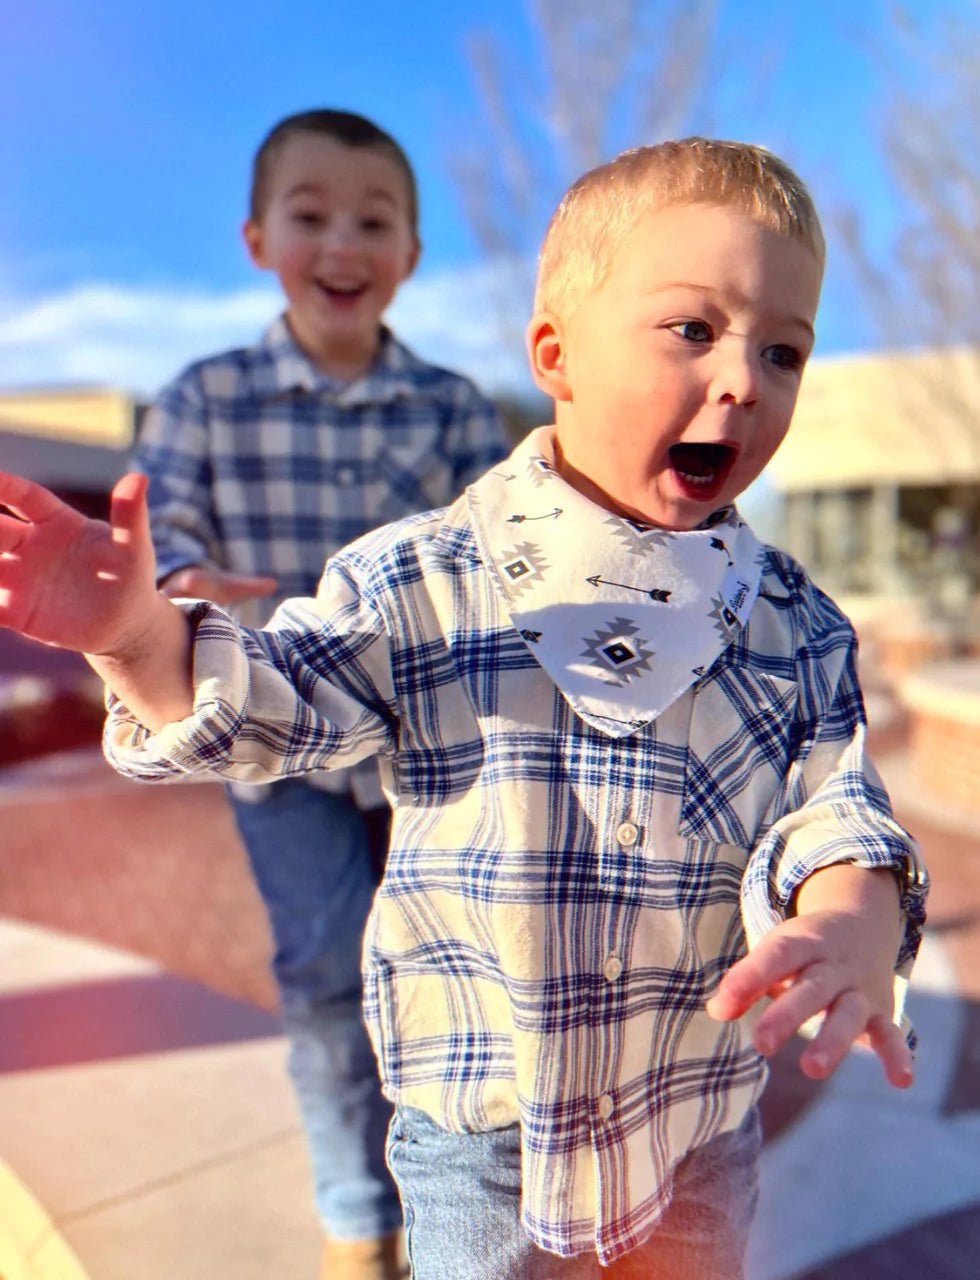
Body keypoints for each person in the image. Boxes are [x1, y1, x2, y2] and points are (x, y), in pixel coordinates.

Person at [0, 137, 928, 1280]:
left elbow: (831, 798)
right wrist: (143, 639)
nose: (743, 378)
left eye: (782, 350)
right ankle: (355, 1215)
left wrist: (854, 908)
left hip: (693, 1124)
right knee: (319, 970)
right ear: (556, 353)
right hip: (485, 1136)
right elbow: (286, 700)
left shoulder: (797, 623)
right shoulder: (423, 577)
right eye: (692, 329)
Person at [125, 108, 508, 1280]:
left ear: (411, 256)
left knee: (453, 966)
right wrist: (180, 578)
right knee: (325, 968)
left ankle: (454, 1189)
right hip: (272, 750)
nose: (341, 242)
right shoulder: (202, 395)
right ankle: (358, 1215)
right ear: (257, 241)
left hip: (426, 747)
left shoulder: (453, 410)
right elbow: (167, 525)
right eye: (311, 216)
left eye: (373, 220)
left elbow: (495, 552)